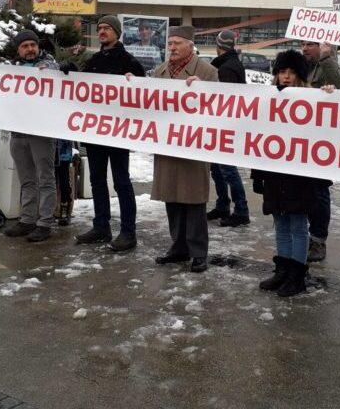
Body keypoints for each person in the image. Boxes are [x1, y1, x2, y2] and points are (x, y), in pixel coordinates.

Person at [252, 50, 330, 297]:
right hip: (275, 173)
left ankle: (298, 275)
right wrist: (258, 175)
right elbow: (258, 135)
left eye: (290, 73)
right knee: (281, 224)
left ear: (300, 76)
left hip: (301, 175)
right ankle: (283, 270)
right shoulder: (268, 99)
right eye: (281, 72)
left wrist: (329, 96)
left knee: (297, 225)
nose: (285, 77)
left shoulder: (314, 99)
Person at [151, 25, 219, 273]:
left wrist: (204, 89)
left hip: (193, 145)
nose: (172, 48)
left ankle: (198, 252)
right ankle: (178, 246)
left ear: (191, 45)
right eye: (170, 44)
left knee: (193, 199)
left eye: (177, 43)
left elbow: (220, 106)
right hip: (167, 144)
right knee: (172, 196)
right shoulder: (160, 71)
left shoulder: (208, 72)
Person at [77, 15, 146, 252]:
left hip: (118, 132)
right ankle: (101, 226)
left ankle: (128, 231)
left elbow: (142, 93)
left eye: (107, 28)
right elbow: (79, 87)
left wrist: (134, 82)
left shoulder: (129, 61)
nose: (102, 31)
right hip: (95, 131)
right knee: (97, 180)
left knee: (121, 182)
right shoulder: (94, 60)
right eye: (100, 28)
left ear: (117, 32)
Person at [1, 30, 61, 243]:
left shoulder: (49, 65)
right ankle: (27, 220)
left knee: (45, 178)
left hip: (41, 132)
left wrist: (46, 71)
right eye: (25, 46)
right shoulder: (10, 69)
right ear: (18, 49)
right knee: (26, 179)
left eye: (32, 45)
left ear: (38, 47)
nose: (29, 49)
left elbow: (58, 75)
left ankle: (44, 223)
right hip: (18, 132)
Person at [301, 40, 340, 262]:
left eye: (310, 44)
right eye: (303, 44)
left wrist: (327, 58)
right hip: (300, 139)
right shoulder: (303, 66)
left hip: (321, 143)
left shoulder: (328, 66)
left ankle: (318, 240)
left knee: (319, 193)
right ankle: (302, 238)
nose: (305, 48)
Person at [206, 30, 250, 227]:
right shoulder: (230, 64)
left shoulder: (226, 69)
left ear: (219, 46)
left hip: (225, 127)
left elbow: (226, 101)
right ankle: (222, 204)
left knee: (228, 170)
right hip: (223, 125)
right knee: (216, 168)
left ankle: (241, 210)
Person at [54, 139, 75, 226]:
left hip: (64, 154)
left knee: (64, 183)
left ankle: (65, 210)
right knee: (49, 184)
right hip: (49, 152)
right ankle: (51, 211)